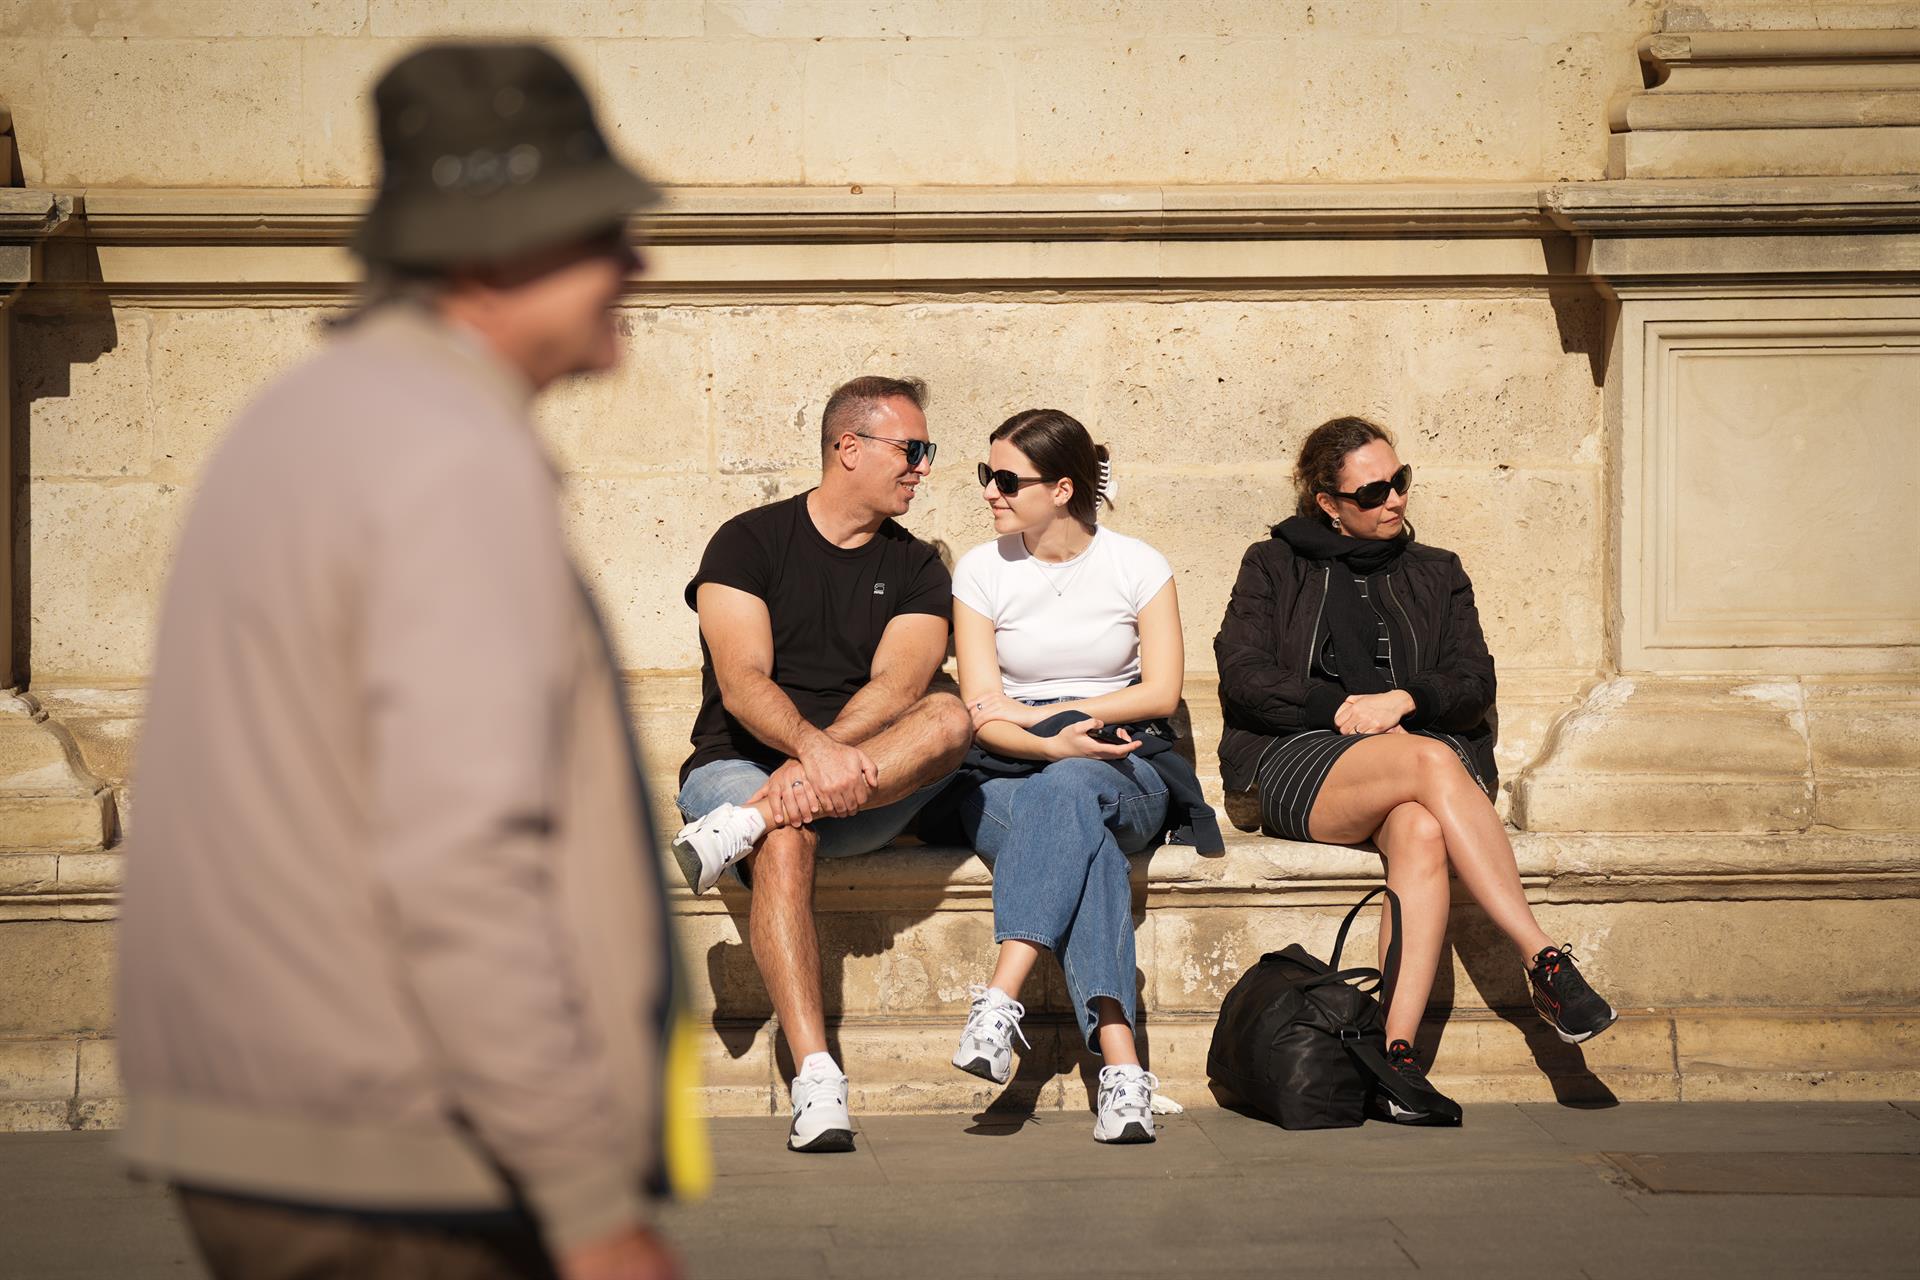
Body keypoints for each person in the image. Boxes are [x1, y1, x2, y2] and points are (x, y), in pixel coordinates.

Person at [117, 45, 687, 1280]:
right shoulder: (449, 456)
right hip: (400, 1156)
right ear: (492, 252)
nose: (634, 266)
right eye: (599, 232)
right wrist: (591, 1202)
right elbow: (462, 860)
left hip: (287, 1134)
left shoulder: (311, 417)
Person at [1214, 415, 1618, 1127]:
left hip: (1421, 762)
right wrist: (1341, 708)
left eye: (1399, 481)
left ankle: (1394, 1060)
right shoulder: (1272, 564)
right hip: (1298, 759)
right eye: (1371, 492)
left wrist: (1405, 698)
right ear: (1327, 503)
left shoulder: (1438, 570)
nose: (1394, 500)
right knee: (1429, 759)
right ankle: (1543, 960)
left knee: (1422, 832)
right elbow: (1244, 674)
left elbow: (1472, 681)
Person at [671, 375, 972, 1154]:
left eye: (924, 452)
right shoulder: (748, 541)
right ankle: (816, 1077)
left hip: (861, 785)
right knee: (787, 840)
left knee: (947, 712)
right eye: (912, 449)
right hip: (736, 766)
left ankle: (743, 827)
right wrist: (814, 755)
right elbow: (742, 683)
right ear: (849, 448)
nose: (923, 467)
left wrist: (825, 762)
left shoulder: (917, 568)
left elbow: (900, 684)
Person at [939, 409, 1220, 1145]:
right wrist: (1053, 744)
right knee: (1079, 833)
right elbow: (981, 714)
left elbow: (1159, 693)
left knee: (1073, 798)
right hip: (1008, 770)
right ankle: (1122, 1074)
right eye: (985, 476)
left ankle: (1001, 1000)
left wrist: (1057, 711)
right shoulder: (979, 570)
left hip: (1126, 761)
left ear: (1062, 489)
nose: (989, 493)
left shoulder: (1137, 565)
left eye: (1006, 480)